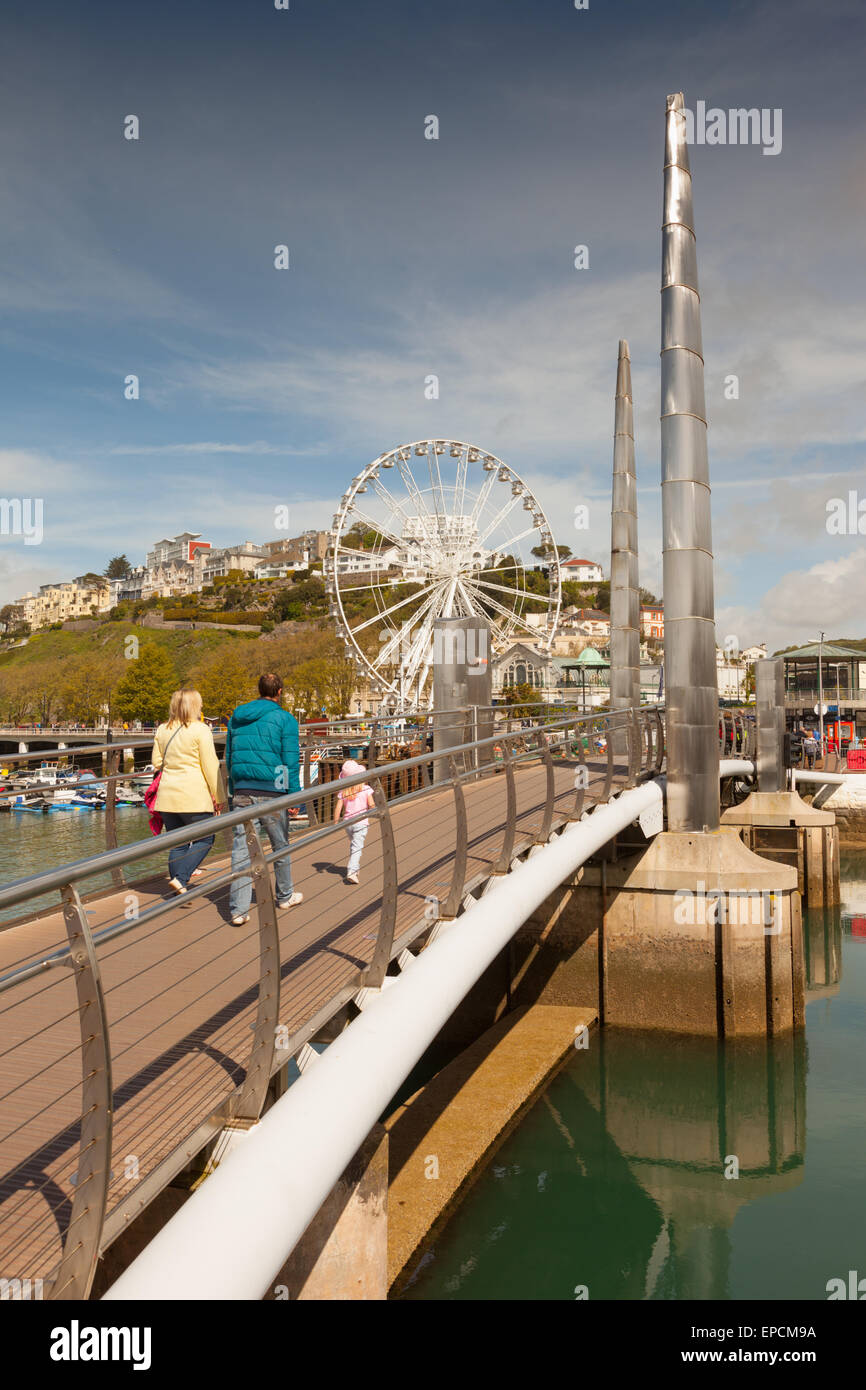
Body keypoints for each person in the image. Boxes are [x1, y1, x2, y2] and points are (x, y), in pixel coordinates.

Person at [225, 672, 303, 926]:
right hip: (273, 790)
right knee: (280, 845)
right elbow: (289, 762)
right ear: (279, 692)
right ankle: (285, 895)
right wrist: (293, 796)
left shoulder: (236, 718)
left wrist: (233, 789)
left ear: (259, 689)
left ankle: (238, 910)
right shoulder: (286, 720)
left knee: (241, 851)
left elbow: (230, 756)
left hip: (243, 790)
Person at [152, 688, 223, 895]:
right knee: (206, 838)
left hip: (167, 795)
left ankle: (177, 885)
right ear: (195, 706)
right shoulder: (201, 730)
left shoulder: (162, 729)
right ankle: (181, 879)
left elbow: (156, 762)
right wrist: (218, 796)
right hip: (194, 795)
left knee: (178, 843)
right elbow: (211, 766)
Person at [333, 760, 375, 884]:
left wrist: (335, 822)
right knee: (357, 847)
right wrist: (373, 810)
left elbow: (338, 808)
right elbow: (371, 804)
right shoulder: (366, 789)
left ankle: (355, 868)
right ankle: (351, 871)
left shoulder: (343, 792)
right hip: (361, 822)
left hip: (348, 823)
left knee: (354, 845)